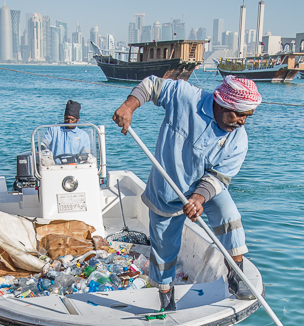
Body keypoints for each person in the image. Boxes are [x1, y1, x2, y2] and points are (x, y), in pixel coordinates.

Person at [112, 75, 261, 311]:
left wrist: (199, 198)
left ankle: (236, 274)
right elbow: (151, 85)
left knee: (228, 215)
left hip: (205, 189)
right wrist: (129, 106)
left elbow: (219, 176)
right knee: (164, 249)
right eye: (238, 114)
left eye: (247, 116)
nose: (242, 121)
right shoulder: (187, 97)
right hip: (166, 190)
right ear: (222, 103)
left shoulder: (238, 140)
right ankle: (166, 298)